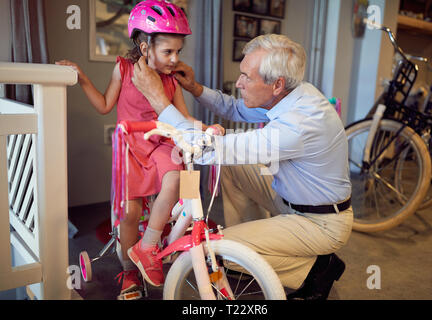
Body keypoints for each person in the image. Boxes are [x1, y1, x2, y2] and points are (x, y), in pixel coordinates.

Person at [131, 33, 353, 300]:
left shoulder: (300, 124)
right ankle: (255, 243)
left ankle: (318, 267)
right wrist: (195, 88)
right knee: (230, 166)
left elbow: (205, 150)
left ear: (277, 84)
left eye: (247, 77)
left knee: (217, 252)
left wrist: (158, 99)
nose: (239, 82)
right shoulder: (295, 92)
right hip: (289, 198)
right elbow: (235, 109)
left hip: (319, 223)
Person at [57, 0, 223, 297]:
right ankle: (128, 272)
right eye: (167, 52)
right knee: (129, 215)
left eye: (178, 52)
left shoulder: (171, 80)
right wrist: (82, 78)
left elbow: (183, 119)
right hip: (131, 149)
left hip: (161, 142)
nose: (174, 59)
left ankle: (149, 244)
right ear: (145, 48)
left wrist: (205, 127)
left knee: (177, 177)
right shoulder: (123, 69)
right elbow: (105, 105)